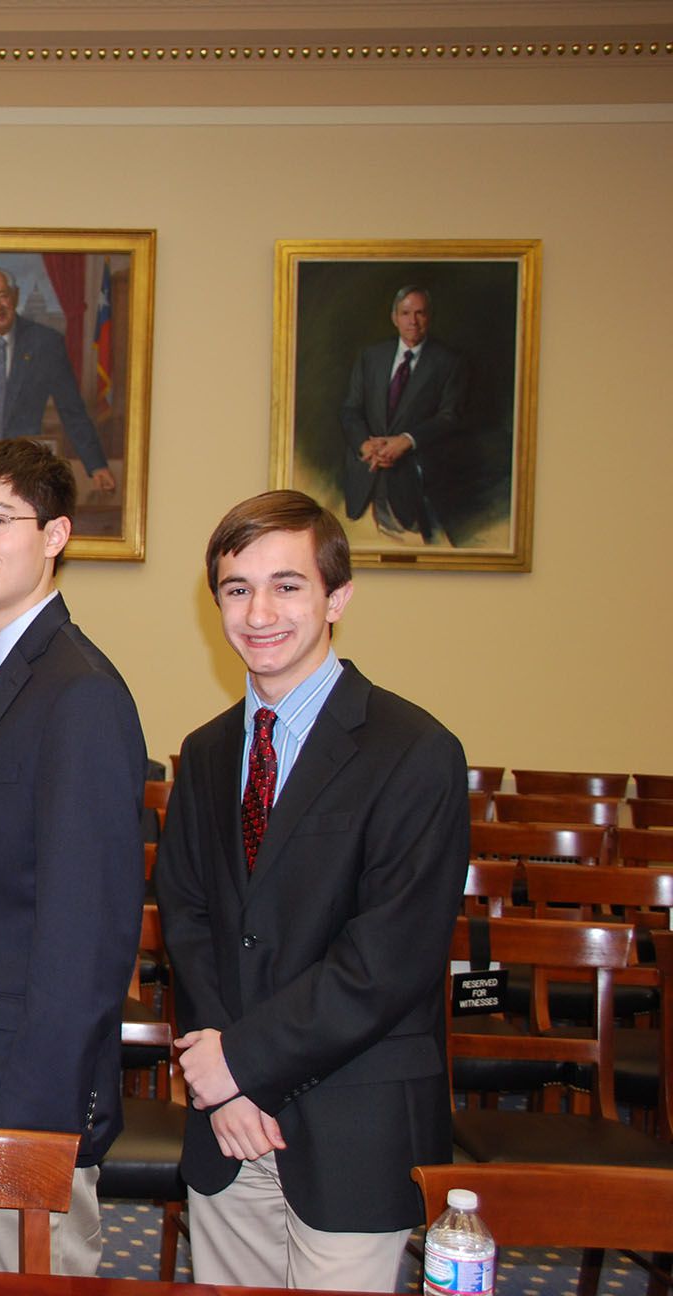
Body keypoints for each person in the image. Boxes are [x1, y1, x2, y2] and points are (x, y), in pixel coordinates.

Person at [155, 489, 469, 1290]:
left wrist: (243, 1063)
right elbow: (189, 921)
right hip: (227, 1129)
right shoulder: (208, 750)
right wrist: (225, 1085)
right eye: (235, 588)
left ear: (338, 596)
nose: (259, 612)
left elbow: (387, 962)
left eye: (287, 585)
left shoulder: (414, 751)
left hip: (353, 1126)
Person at [0, 438, 146, 1276]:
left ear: (55, 536)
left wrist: (34, 1129)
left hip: (20, 1094)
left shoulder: (77, 692)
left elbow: (90, 933)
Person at [0, 266, 117, 493]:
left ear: (16, 295)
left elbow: (72, 410)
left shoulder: (46, 343)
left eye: (3, 296)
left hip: (20, 456)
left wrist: (96, 464)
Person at [339, 285, 469, 543]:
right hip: (367, 477)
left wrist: (406, 441)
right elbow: (351, 409)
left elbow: (450, 417)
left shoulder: (449, 362)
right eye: (406, 313)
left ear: (429, 317)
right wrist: (366, 445)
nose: (413, 321)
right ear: (394, 317)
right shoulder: (371, 357)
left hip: (417, 481)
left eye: (420, 313)